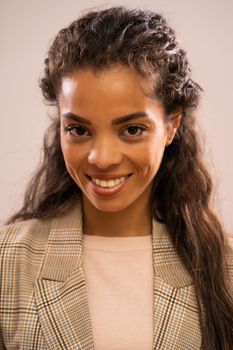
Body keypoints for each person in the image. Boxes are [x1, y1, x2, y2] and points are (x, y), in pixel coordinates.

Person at [0, 6, 233, 350]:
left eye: (132, 129)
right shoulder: (9, 260)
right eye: (78, 129)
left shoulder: (223, 269)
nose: (101, 158)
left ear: (172, 125)